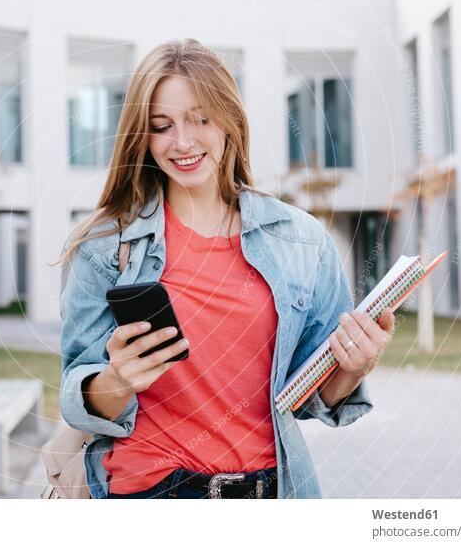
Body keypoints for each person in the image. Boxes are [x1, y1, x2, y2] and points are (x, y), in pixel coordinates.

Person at [56, 39, 395, 499]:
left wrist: (355, 367)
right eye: (162, 125)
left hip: (272, 490)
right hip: (151, 488)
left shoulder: (300, 240)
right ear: (142, 135)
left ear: (230, 120)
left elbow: (315, 395)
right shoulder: (103, 246)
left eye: (200, 118)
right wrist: (117, 381)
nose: (183, 142)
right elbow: (77, 391)